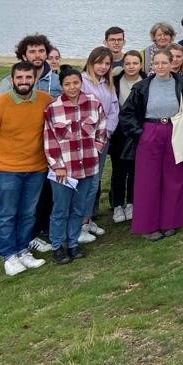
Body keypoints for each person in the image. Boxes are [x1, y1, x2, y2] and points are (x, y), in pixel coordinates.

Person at [0, 61, 53, 276]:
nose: (24, 81)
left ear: (35, 79)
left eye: (28, 77)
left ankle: (23, 249)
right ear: (12, 80)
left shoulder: (46, 101)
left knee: (28, 213)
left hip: (36, 168)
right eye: (20, 78)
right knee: (8, 213)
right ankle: (8, 255)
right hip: (5, 170)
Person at [118, 49, 183, 241]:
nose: (160, 66)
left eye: (164, 62)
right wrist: (140, 134)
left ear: (172, 64)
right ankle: (148, 226)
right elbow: (126, 114)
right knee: (147, 180)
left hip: (174, 129)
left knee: (174, 177)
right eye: (156, 63)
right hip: (150, 131)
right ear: (151, 65)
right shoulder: (142, 86)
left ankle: (170, 221)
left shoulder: (181, 83)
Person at [0, 34, 62, 253]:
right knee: (16, 202)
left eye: (41, 51)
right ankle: (19, 243)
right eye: (32, 51)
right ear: (24, 54)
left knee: (43, 194)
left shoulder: (55, 79)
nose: (37, 55)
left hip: (47, 147)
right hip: (18, 151)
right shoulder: (10, 81)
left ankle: (37, 232)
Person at [43, 65, 107, 265]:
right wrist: (57, 165)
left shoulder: (93, 103)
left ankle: (73, 243)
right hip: (65, 170)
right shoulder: (53, 109)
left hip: (88, 166)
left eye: (76, 83)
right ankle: (57, 246)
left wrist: (95, 150)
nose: (72, 87)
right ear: (61, 85)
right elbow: (50, 139)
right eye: (67, 84)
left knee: (79, 209)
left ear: (81, 82)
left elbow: (101, 130)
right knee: (61, 209)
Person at [79, 46, 120, 240]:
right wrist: (91, 134)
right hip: (84, 142)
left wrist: (107, 131)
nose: (103, 67)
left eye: (107, 63)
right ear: (91, 62)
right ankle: (78, 224)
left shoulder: (107, 84)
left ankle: (86, 220)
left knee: (95, 181)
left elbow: (113, 109)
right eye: (99, 62)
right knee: (83, 182)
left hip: (103, 140)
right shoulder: (82, 82)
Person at [109, 50, 143, 223]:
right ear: (123, 65)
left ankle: (131, 203)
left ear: (141, 65)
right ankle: (116, 205)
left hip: (137, 132)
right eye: (128, 63)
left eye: (135, 63)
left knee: (135, 170)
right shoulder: (114, 81)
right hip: (118, 133)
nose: (131, 67)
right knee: (118, 171)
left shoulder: (146, 82)